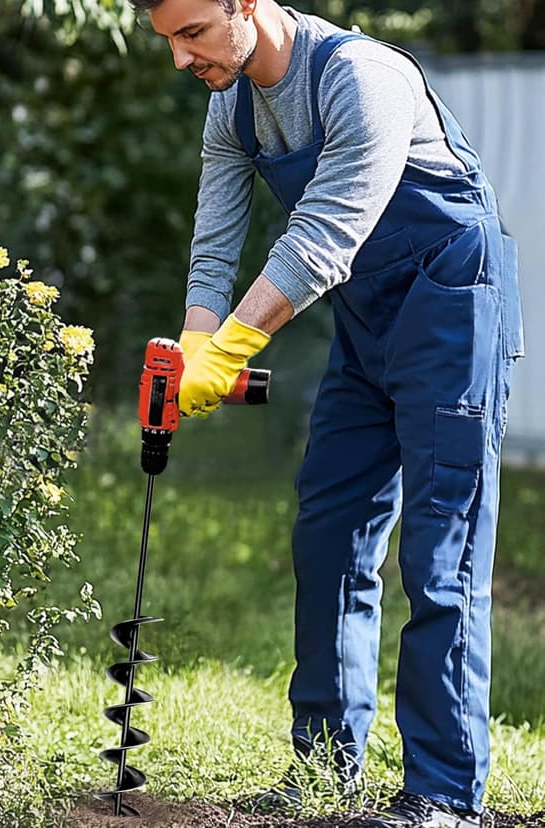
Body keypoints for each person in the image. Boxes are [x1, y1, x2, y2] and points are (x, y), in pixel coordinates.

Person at [126, 0, 526, 825]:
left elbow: (325, 237)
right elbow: (215, 242)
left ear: (244, 4)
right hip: (368, 316)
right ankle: (324, 771)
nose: (179, 58)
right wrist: (195, 349)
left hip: (451, 301)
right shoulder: (230, 106)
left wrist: (234, 349)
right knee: (330, 528)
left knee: (439, 547)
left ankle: (446, 795)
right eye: (167, 39)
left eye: (192, 32)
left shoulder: (362, 79)